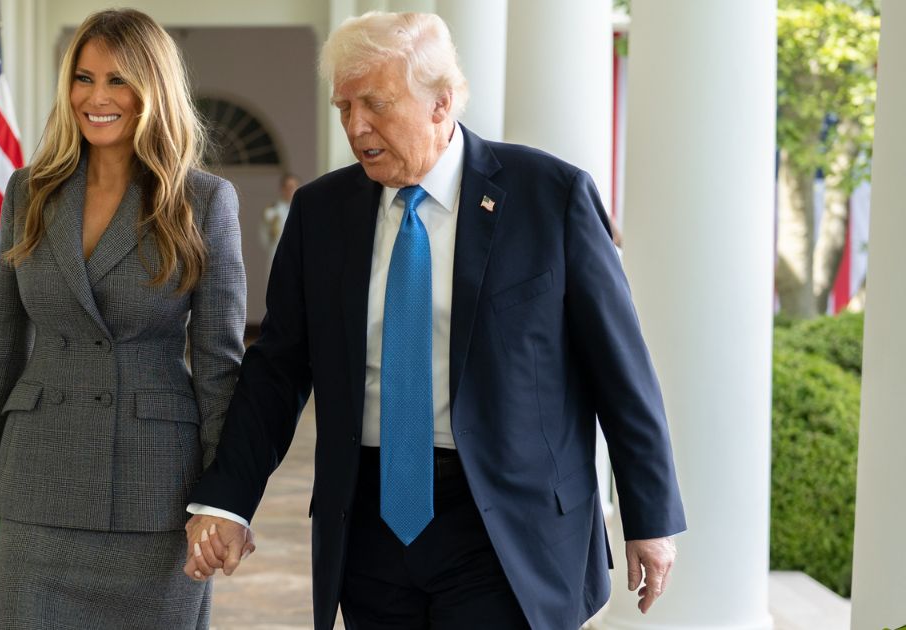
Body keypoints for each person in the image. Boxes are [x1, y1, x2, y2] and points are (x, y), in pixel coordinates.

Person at [183, 11, 685, 630]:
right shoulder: (322, 212)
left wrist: (650, 515)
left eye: (375, 103)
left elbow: (620, 368)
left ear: (441, 102)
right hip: (371, 520)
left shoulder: (549, 197)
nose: (356, 126)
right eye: (344, 107)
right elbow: (278, 370)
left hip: (506, 525)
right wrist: (229, 500)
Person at [0, 9, 248, 629]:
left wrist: (226, 504)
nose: (97, 97)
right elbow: (1, 353)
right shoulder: (29, 193)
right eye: (84, 78)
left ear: (152, 90)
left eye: (118, 81)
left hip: (156, 494)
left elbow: (220, 370)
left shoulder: (203, 201)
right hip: (41, 490)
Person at [261, 173, 301, 255]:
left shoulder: (304, 209)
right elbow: (264, 238)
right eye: (287, 187)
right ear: (282, 189)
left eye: (293, 187)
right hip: (278, 255)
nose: (290, 190)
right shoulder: (272, 211)